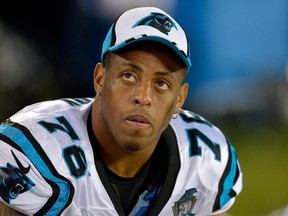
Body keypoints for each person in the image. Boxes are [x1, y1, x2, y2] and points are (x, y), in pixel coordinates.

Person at [0, 7, 242, 216]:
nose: (143, 97)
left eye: (161, 83)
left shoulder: (206, 157)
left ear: (179, 99)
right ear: (100, 79)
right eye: (129, 76)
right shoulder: (35, 150)